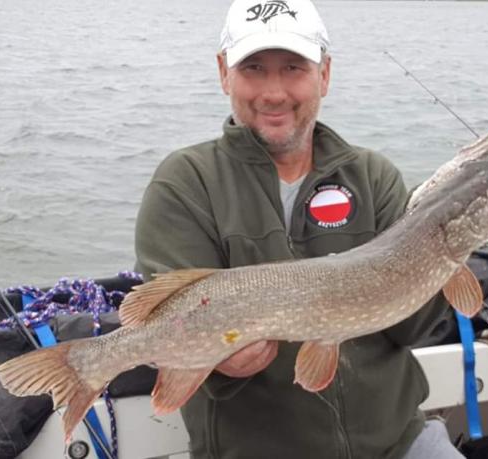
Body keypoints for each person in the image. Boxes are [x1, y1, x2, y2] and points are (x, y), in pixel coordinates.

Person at [134, 0, 462, 457]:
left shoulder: (373, 178)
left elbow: (413, 329)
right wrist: (221, 365)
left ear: (324, 74)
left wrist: (452, 251)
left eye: (293, 68)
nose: (274, 93)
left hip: (398, 444)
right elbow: (167, 326)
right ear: (224, 73)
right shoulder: (186, 184)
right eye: (253, 68)